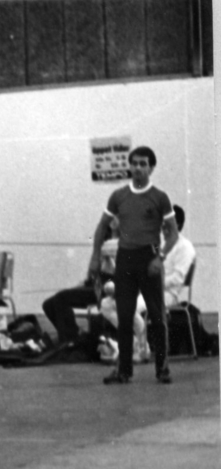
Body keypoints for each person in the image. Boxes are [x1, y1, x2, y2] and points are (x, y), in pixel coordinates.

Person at [88, 145, 177, 385]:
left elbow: (173, 234)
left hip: (149, 259)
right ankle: (124, 371)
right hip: (125, 259)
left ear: (151, 168)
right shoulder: (118, 196)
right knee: (124, 316)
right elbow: (101, 227)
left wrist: (160, 258)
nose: (138, 168)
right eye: (134, 163)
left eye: (143, 164)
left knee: (157, 317)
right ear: (130, 166)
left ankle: (162, 369)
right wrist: (95, 256)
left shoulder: (159, 197)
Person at [43, 219, 119, 347]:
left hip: (109, 288)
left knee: (61, 298)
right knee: (48, 304)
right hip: (97, 284)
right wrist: (85, 283)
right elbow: (95, 272)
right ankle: (72, 333)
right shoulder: (106, 243)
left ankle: (70, 339)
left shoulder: (117, 244)